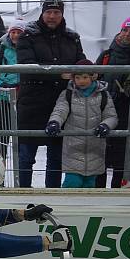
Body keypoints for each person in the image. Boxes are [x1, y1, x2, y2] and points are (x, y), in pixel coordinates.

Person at [16, 0, 86, 188]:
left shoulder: (72, 37)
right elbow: (26, 65)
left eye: (56, 12)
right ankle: (24, 193)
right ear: (42, 13)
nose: (52, 16)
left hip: (61, 104)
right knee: (26, 155)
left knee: (56, 157)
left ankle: (52, 196)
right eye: (48, 12)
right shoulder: (28, 35)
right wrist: (59, 73)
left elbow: (81, 64)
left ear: (62, 14)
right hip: (32, 103)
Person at [46, 59, 118, 188]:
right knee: (72, 183)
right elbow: (60, 110)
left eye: (85, 77)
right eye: (77, 77)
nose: (81, 81)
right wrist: (54, 122)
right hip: (73, 148)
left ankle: (87, 207)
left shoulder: (103, 95)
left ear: (93, 76)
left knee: (89, 186)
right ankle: (67, 207)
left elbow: (111, 116)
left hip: (95, 148)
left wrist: (106, 125)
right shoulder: (68, 94)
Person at [95, 17, 130, 188]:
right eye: (125, 30)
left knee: (122, 160)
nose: (127, 34)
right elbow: (94, 78)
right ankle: (98, 195)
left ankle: (117, 193)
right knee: (100, 157)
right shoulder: (107, 55)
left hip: (128, 113)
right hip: (104, 111)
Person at [0, 19, 25, 159]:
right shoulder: (0, 50)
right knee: (0, 139)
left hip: (23, 99)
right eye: (13, 32)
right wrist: (1, 85)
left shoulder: (29, 50)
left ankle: (20, 174)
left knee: (22, 140)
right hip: (2, 98)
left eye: (19, 32)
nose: (15, 35)